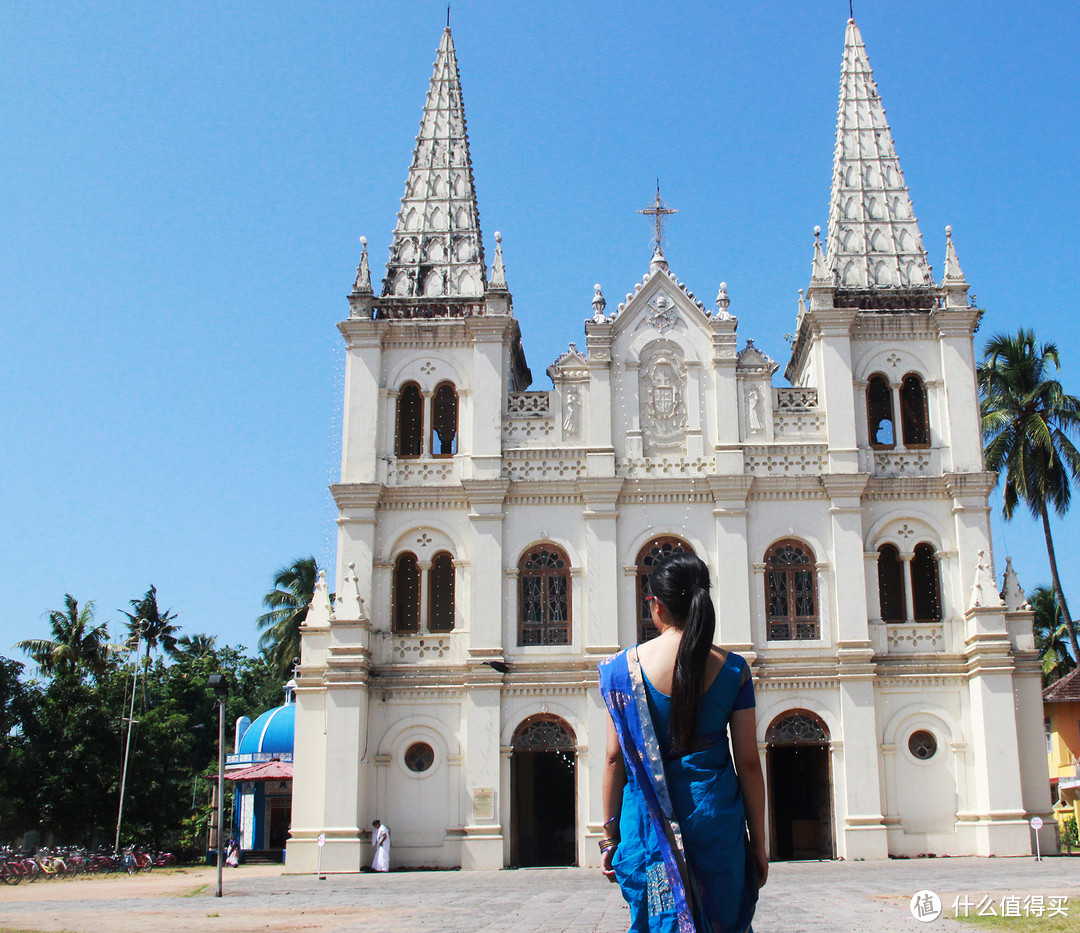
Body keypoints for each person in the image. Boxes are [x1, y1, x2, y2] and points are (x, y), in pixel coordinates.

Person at [598, 552, 768, 932]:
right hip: (716, 823)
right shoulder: (733, 668)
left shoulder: (621, 671)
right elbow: (749, 764)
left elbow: (614, 760)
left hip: (648, 828)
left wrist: (609, 837)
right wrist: (758, 842)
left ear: (655, 604)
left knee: (661, 920)